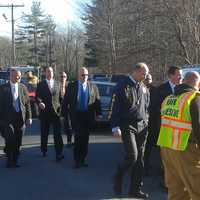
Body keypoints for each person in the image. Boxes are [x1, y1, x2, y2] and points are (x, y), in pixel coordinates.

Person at [157, 71, 200, 200]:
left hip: (167, 150)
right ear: (198, 84)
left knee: (177, 192)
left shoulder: (168, 99)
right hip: (186, 150)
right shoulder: (194, 98)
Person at [110, 62, 150, 198]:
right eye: (144, 73)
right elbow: (114, 107)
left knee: (140, 159)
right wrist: (115, 126)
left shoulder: (143, 87)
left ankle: (135, 189)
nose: (146, 76)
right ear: (136, 71)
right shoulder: (123, 85)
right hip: (128, 125)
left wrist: (146, 121)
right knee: (132, 155)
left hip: (142, 126)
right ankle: (118, 176)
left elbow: (147, 107)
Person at [62, 67, 101, 168]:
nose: (85, 77)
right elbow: (65, 102)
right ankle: (77, 160)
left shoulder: (93, 87)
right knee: (78, 138)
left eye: (86, 75)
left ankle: (83, 159)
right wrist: (64, 115)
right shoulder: (71, 86)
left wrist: (99, 113)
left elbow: (97, 101)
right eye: (83, 75)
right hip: (76, 115)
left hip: (87, 116)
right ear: (78, 76)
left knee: (85, 139)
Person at [0, 68, 32, 168]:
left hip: (20, 118)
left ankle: (15, 159)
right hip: (7, 119)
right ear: (10, 76)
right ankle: (9, 160)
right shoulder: (3, 88)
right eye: (15, 75)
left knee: (18, 140)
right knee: (10, 139)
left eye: (19, 76)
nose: (17, 77)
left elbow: (27, 104)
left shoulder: (23, 87)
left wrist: (29, 117)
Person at [35, 66, 64, 162]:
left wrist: (62, 109)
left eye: (51, 71)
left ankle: (59, 153)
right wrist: (40, 103)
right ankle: (44, 149)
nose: (50, 73)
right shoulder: (40, 84)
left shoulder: (57, 83)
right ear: (45, 73)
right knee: (44, 133)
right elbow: (37, 97)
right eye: (48, 71)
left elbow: (60, 98)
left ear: (53, 73)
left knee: (57, 134)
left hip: (56, 113)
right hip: (45, 113)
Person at [143, 73, 158, 175]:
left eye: (150, 79)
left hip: (152, 123)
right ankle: (142, 166)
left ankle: (146, 165)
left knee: (149, 146)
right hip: (141, 122)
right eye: (147, 79)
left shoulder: (155, 90)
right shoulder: (139, 88)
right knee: (143, 147)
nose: (148, 81)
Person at [59, 71, 73, 147]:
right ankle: (58, 141)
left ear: (66, 78)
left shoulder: (69, 86)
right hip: (58, 108)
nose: (63, 78)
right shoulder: (57, 85)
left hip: (67, 109)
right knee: (58, 126)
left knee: (68, 125)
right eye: (61, 77)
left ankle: (69, 141)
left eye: (64, 77)